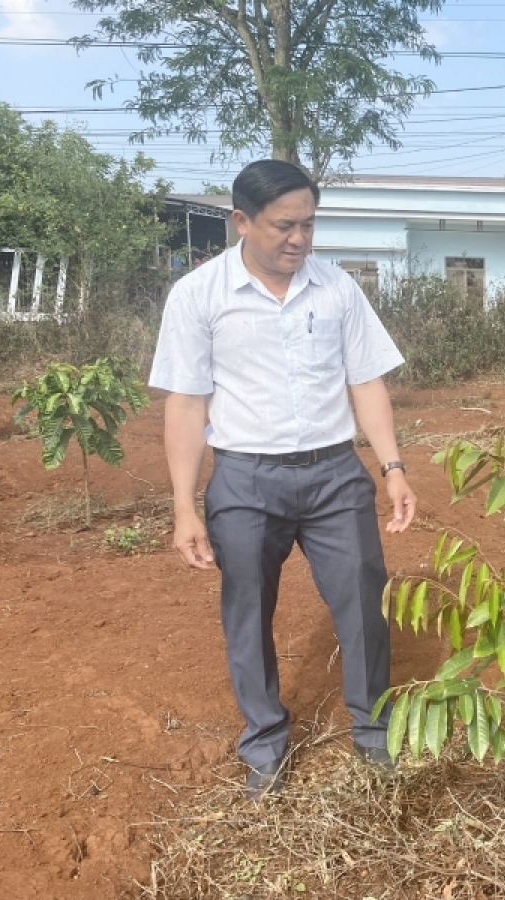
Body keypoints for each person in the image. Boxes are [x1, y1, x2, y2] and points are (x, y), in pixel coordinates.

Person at [149, 159, 416, 800]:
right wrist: (185, 508)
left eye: (308, 225)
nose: (298, 239)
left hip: (333, 476)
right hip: (243, 480)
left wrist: (393, 467)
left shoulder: (337, 289)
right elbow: (186, 406)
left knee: (364, 604)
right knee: (247, 612)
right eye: (283, 226)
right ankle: (265, 744)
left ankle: (373, 733)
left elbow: (365, 382)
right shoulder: (198, 296)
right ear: (242, 222)